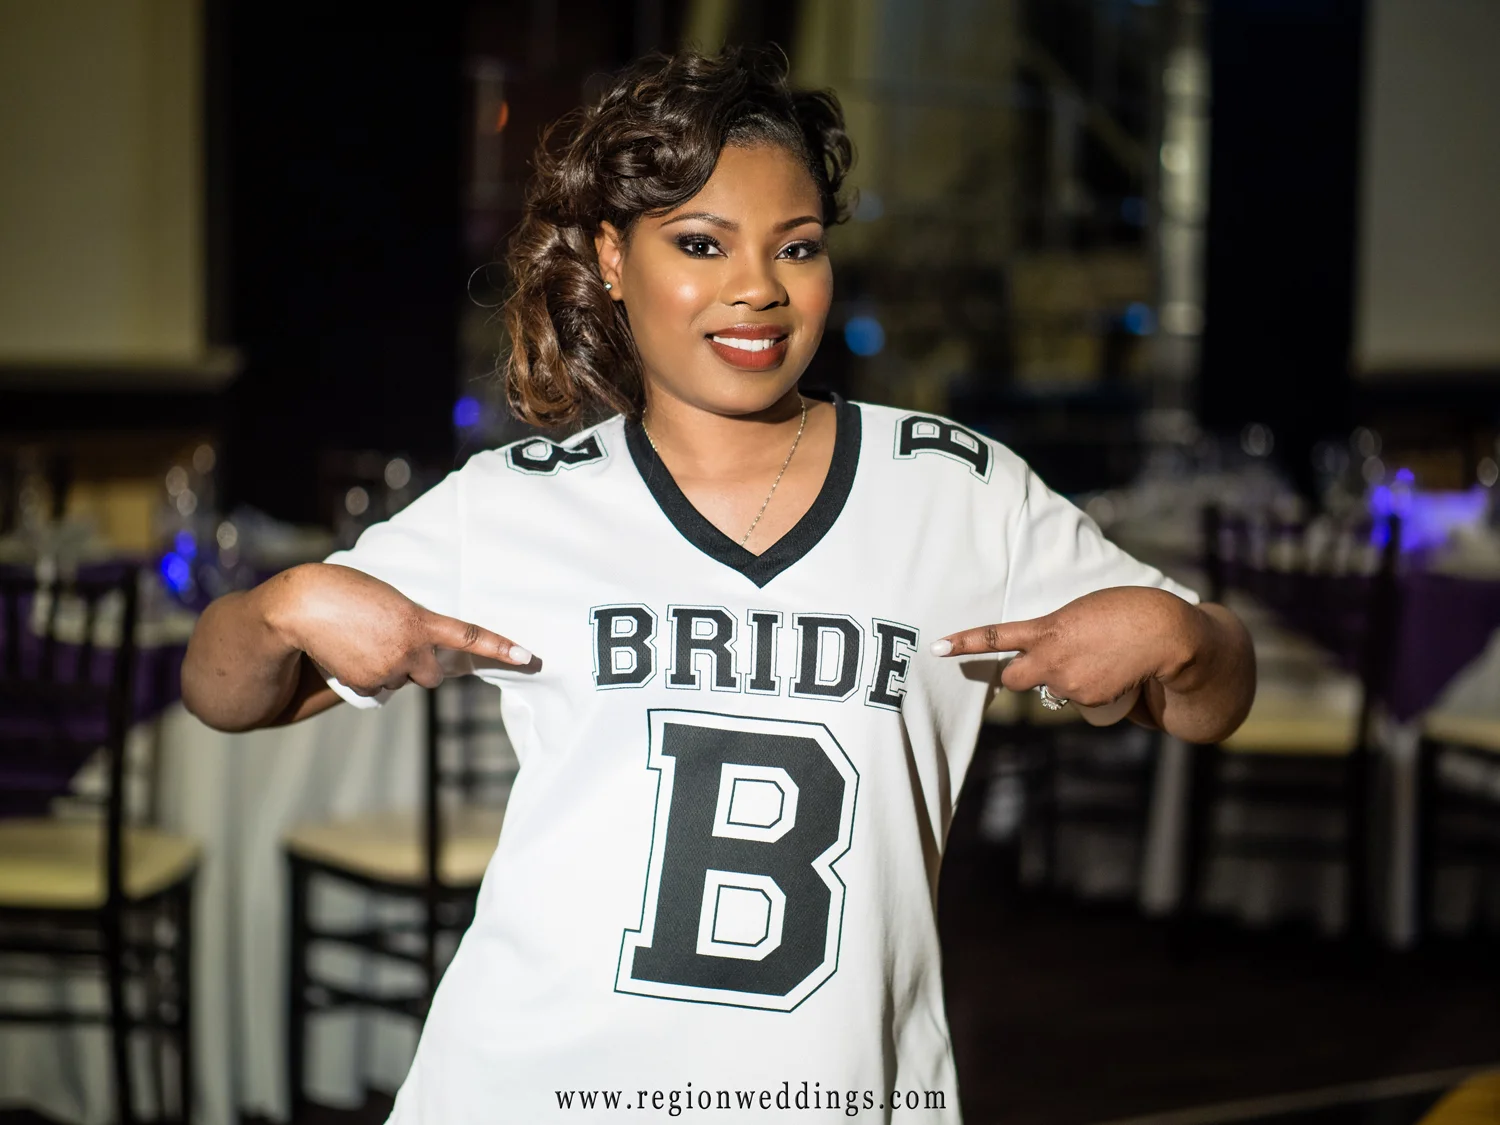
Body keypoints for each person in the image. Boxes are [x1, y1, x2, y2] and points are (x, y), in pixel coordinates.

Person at [183, 46, 1254, 1123]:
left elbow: (1219, 695)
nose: (759, 289)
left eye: (798, 247)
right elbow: (223, 693)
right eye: (701, 243)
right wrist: (279, 609)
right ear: (611, 259)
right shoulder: (516, 503)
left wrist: (1181, 635)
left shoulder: (957, 489)